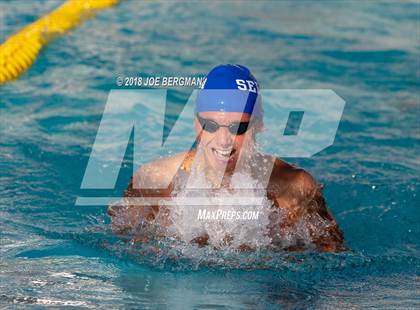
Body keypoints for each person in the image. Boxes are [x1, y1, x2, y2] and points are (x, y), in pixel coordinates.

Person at [108, 64, 346, 252]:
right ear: (196, 125)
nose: (223, 141)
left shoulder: (293, 188)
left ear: (258, 126)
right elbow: (122, 248)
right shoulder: (155, 181)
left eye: (238, 128)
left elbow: (333, 258)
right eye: (210, 125)